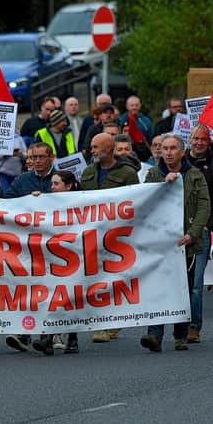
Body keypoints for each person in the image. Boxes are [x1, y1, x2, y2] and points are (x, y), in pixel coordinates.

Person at [140, 133, 210, 352]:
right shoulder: (153, 173)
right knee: (158, 288)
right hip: (160, 243)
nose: (168, 152)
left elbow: (203, 207)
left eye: (172, 148)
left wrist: (193, 233)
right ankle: (154, 335)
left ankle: (180, 334)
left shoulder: (195, 175)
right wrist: (163, 182)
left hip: (185, 244)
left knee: (183, 289)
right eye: (164, 148)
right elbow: (144, 201)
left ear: (182, 151)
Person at [81, 133, 139, 343]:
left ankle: (113, 322)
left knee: (115, 282)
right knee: (95, 281)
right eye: (92, 147)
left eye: (96, 147)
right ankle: (101, 323)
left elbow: (136, 202)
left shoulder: (127, 173)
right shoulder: (87, 172)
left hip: (118, 236)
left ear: (108, 148)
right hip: (92, 236)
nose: (92, 150)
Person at [2, 143, 55, 352]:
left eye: (42, 157)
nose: (38, 161)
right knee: (28, 288)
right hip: (28, 245)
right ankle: (24, 332)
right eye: (35, 157)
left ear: (51, 157)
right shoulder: (23, 180)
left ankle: (54, 334)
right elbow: (6, 205)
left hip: (54, 245)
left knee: (53, 289)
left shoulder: (62, 178)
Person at [185, 124, 213, 343]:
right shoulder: (179, 162)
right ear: (190, 139)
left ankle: (194, 326)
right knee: (177, 280)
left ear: (209, 142)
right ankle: (175, 324)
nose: (199, 142)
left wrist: (208, 225)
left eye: (203, 139)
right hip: (177, 230)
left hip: (200, 232)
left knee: (196, 282)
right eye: (196, 138)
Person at [31, 170, 82, 356]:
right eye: (51, 184)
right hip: (52, 258)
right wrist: (35, 199)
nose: (52, 188)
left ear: (68, 186)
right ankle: (48, 338)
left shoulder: (83, 202)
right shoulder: (48, 202)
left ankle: (73, 339)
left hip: (74, 258)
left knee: (71, 299)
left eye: (56, 184)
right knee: (51, 298)